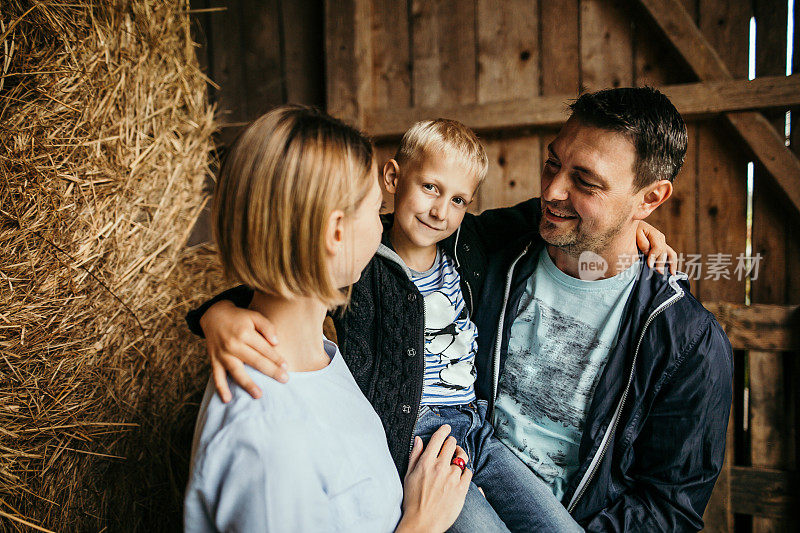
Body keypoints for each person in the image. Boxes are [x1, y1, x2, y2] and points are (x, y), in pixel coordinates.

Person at [187, 117, 677, 531]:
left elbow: (552, 217)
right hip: (422, 443)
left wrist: (632, 222)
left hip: (476, 427)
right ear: (389, 182)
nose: (442, 210)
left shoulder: (467, 247)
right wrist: (218, 313)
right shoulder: (358, 281)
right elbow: (289, 277)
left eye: (459, 200)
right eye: (428, 189)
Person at [183, 106, 473, 533]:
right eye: (376, 212)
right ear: (336, 232)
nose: (382, 227)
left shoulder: (321, 357)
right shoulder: (266, 443)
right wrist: (421, 525)